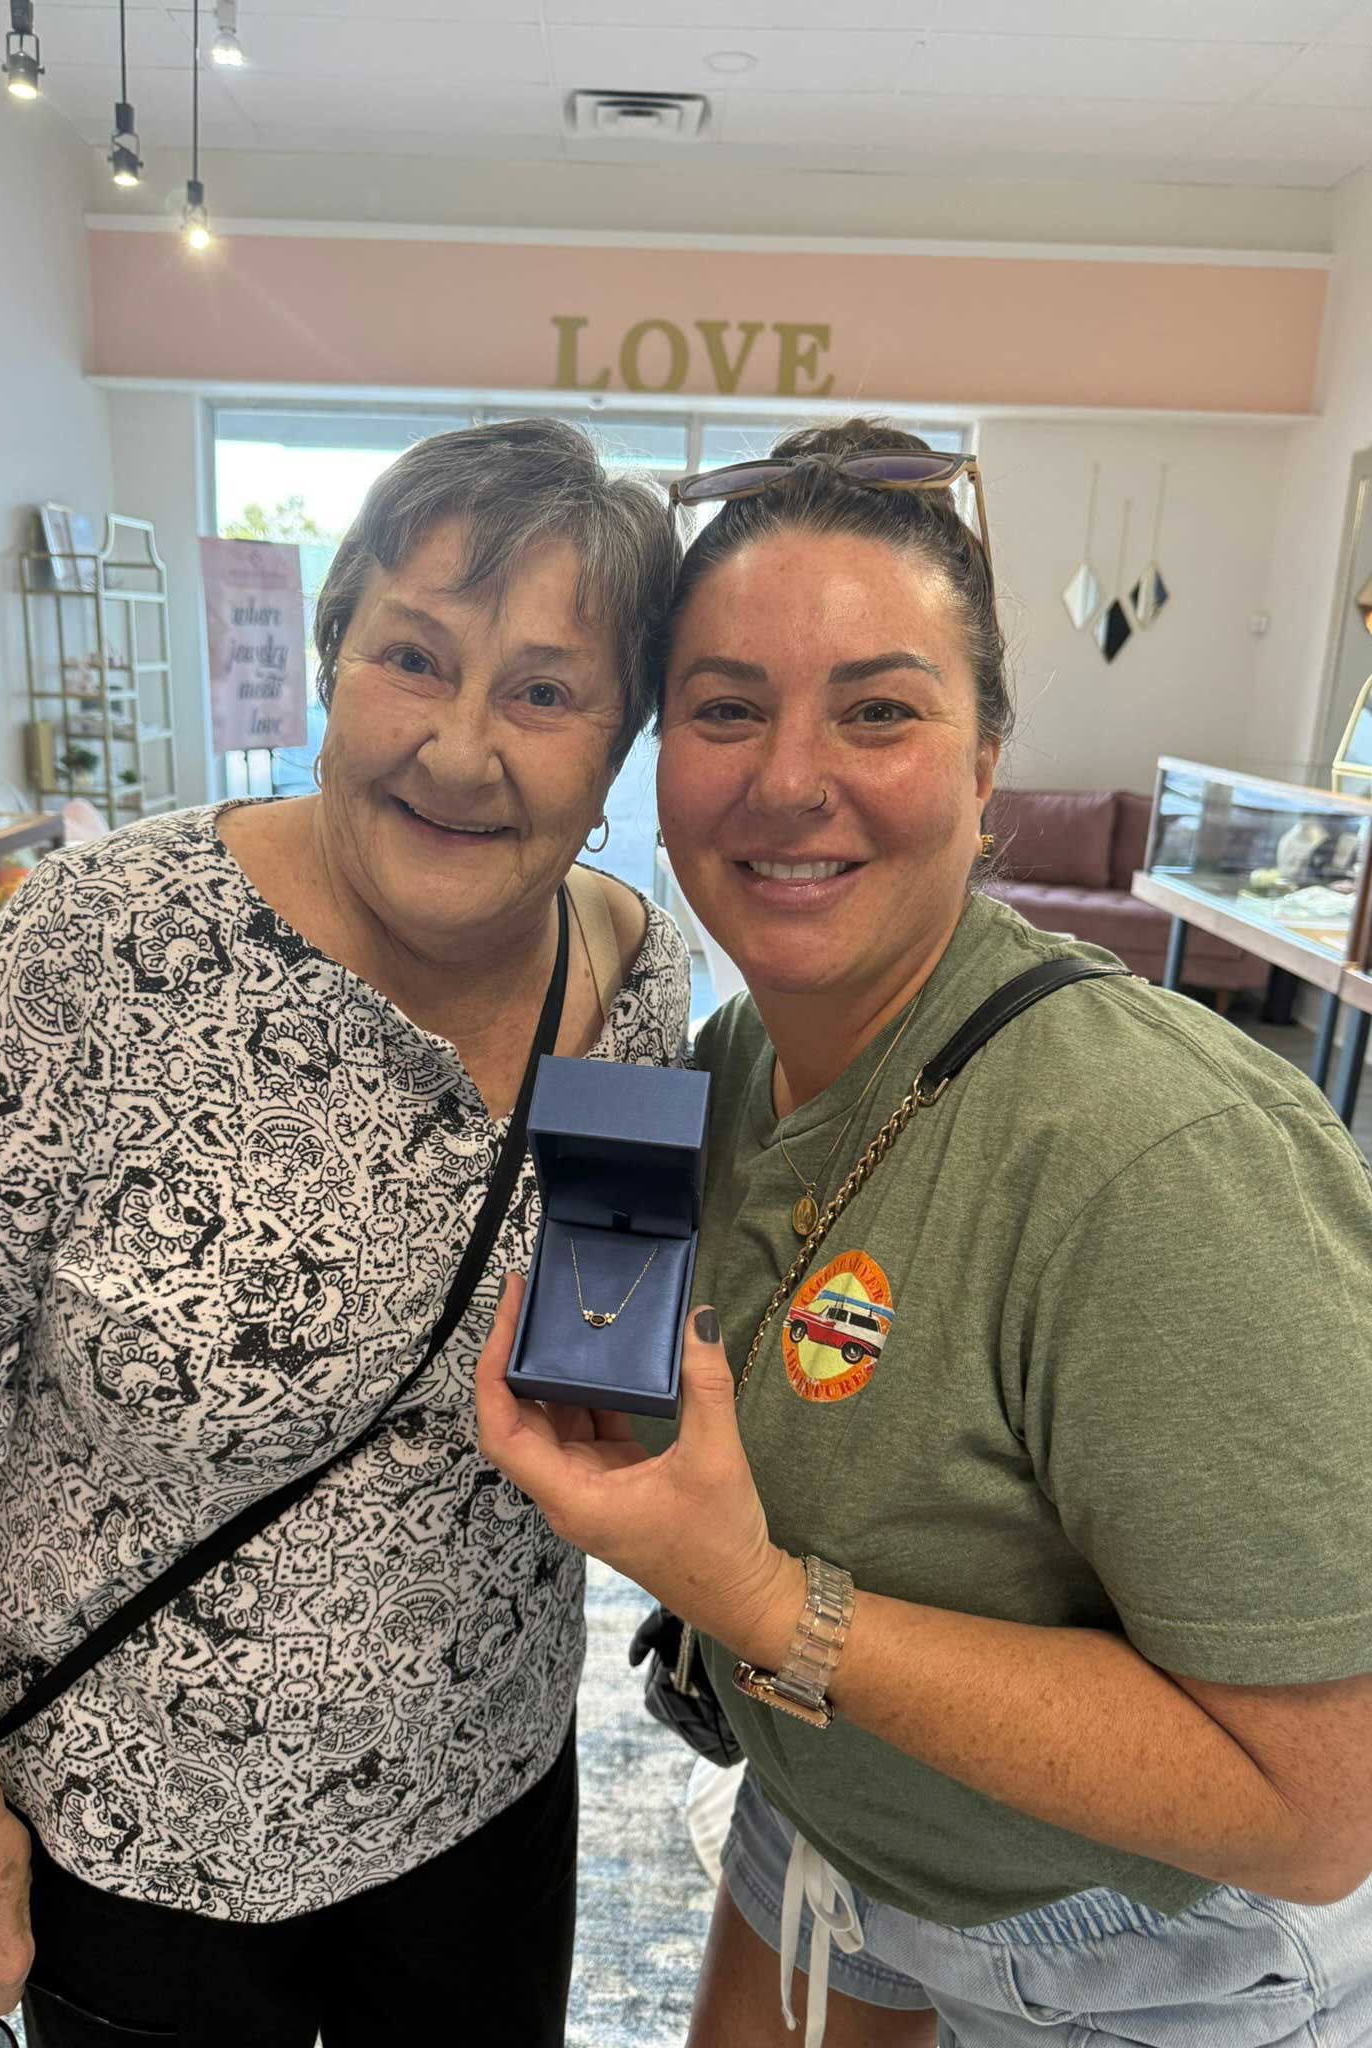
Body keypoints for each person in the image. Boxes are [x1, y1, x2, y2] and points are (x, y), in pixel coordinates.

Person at [474, 419, 1372, 2048]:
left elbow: (1318, 1809)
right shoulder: (737, 1068)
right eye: (725, 709)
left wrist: (755, 1599)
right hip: (834, 1829)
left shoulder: (1155, 1158)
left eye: (878, 709)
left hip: (1121, 1950)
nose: (788, 777)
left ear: (980, 769)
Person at [0, 416, 689, 2047]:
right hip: (139, 1832)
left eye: (544, 690)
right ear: (326, 662)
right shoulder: (96, 959)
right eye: (411, 658)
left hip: (488, 1792)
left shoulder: (633, 977)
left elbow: (609, 1327)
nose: (458, 746)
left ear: (619, 739)